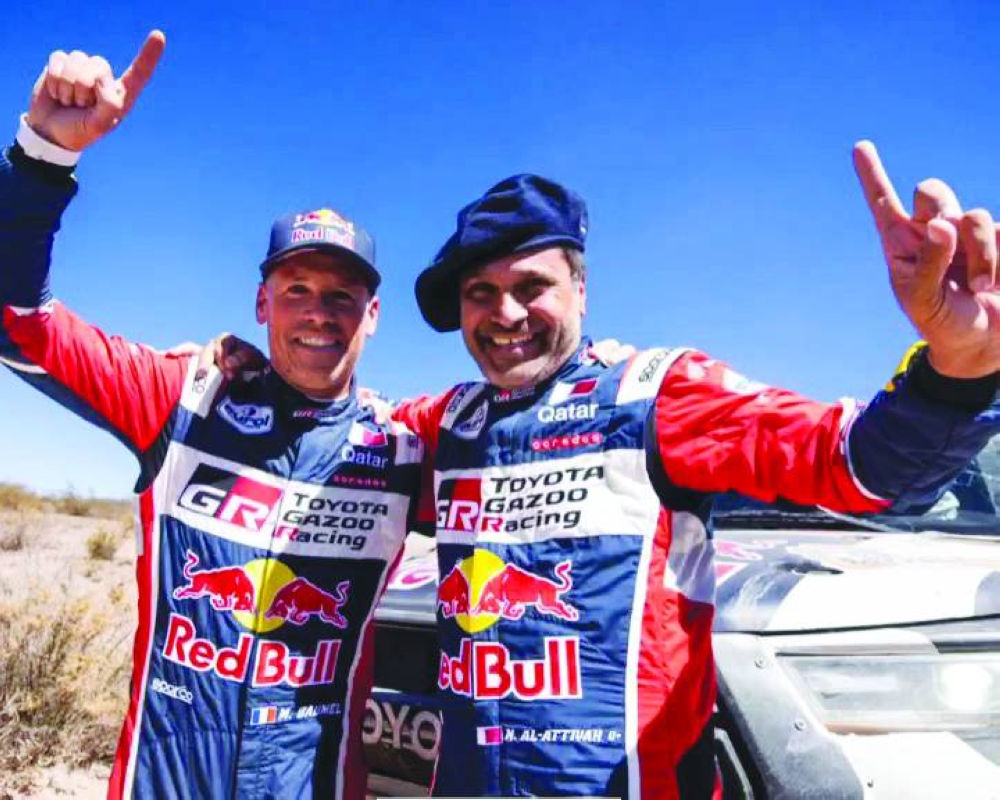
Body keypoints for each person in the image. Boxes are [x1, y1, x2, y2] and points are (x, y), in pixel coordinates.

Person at [215, 163, 1000, 798]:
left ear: (580, 290)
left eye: (532, 286)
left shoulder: (658, 396)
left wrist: (959, 369)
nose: (505, 312)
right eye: (480, 293)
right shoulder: (438, 428)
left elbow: (860, 466)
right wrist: (250, 383)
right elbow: (328, 446)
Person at [0, 32, 427, 799]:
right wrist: (40, 160)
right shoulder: (184, 394)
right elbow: (14, 321)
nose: (319, 315)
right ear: (261, 303)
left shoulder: (405, 447)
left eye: (342, 297)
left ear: (373, 317)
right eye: (296, 290)